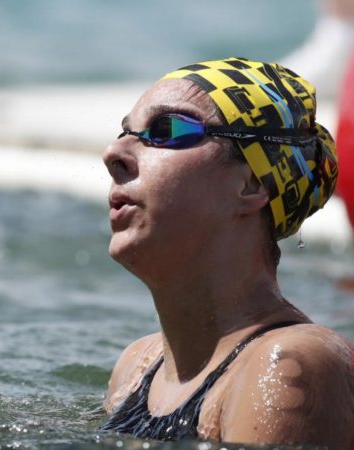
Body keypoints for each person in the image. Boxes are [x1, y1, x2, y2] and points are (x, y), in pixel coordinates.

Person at [100, 57, 353, 447]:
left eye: (166, 129)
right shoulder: (138, 365)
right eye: (125, 131)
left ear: (252, 183)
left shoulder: (290, 364)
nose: (113, 152)